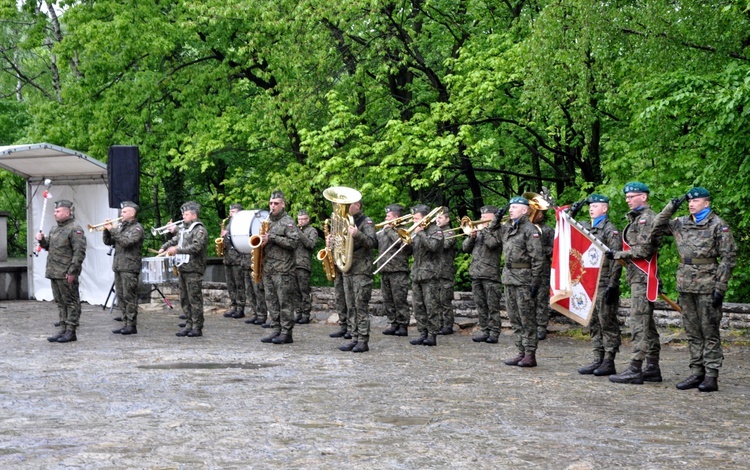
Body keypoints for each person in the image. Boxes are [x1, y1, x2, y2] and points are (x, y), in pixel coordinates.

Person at [653, 187, 736, 392]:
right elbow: (655, 226)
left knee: (709, 331)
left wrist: (721, 286)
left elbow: (728, 257)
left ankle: (711, 375)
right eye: (689, 201)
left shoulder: (718, 225)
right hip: (686, 284)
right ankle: (696, 371)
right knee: (692, 331)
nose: (691, 204)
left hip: (708, 284)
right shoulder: (681, 222)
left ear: (706, 203)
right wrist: (671, 207)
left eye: (696, 201)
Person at [607, 182, 664, 384]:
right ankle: (652, 366)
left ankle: (635, 367)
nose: (628, 200)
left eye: (632, 196)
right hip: (636, 277)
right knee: (646, 323)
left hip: (643, 277)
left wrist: (619, 254)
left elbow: (644, 250)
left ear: (644, 197)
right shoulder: (636, 219)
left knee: (638, 322)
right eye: (627, 197)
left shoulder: (648, 219)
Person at [570, 195, 623, 376]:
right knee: (593, 322)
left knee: (606, 321)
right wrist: (572, 211)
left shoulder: (610, 230)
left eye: (596, 206)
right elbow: (566, 228)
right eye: (590, 206)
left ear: (605, 209)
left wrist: (613, 284)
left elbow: (616, 258)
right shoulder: (584, 226)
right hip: (588, 282)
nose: (591, 208)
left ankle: (609, 360)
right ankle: (597, 357)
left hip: (604, 281)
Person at [498, 196, 544, 367]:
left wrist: (535, 282)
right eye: (510, 207)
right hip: (509, 277)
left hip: (524, 278)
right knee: (514, 318)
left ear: (525, 210)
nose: (511, 210)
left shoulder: (529, 229)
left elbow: (538, 259)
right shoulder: (508, 228)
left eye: (515, 207)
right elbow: (492, 231)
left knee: (527, 319)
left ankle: (530, 353)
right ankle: (521, 351)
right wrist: (497, 216)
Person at [38, 200, 87, 343]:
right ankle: (63, 328)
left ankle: (71, 331)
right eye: (54, 211)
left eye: (58, 211)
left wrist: (72, 271)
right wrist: (41, 241)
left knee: (70, 301)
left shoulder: (74, 229)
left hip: (66, 272)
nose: (55, 213)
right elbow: (49, 246)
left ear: (67, 212)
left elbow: (79, 252)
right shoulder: (54, 229)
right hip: (54, 271)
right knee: (60, 302)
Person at [160, 201, 208, 337]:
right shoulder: (184, 229)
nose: (183, 216)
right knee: (184, 299)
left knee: (194, 299)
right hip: (183, 268)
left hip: (194, 268)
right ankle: (188, 324)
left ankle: (197, 326)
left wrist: (178, 250)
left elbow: (196, 247)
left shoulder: (199, 229)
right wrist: (164, 247)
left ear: (194, 216)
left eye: (186, 214)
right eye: (183, 214)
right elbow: (175, 240)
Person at [259, 191, 300, 345]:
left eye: (276, 203)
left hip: (283, 269)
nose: (273, 206)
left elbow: (294, 243)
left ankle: (286, 332)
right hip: (269, 268)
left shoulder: (288, 222)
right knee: (271, 301)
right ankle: (276, 328)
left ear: (283, 204)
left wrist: (273, 238)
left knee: (285, 302)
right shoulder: (268, 221)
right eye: (271, 203)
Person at [338, 198, 377, 352]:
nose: (346, 207)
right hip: (348, 269)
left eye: (349, 204)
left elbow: (372, 242)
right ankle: (354, 337)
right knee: (351, 306)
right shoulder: (345, 221)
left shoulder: (366, 222)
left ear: (357, 205)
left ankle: (363, 339)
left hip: (361, 269)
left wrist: (357, 234)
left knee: (360, 305)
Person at [461, 205, 503, 343]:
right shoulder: (478, 231)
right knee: (480, 305)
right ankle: (484, 330)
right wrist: (471, 237)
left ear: (493, 217)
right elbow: (465, 248)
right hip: (476, 273)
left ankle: (494, 332)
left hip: (490, 274)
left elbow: (492, 244)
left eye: (485, 217)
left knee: (492, 306)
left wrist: (484, 230)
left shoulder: (498, 230)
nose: (481, 219)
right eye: (481, 216)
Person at [104, 201, 145, 335]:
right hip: (119, 265)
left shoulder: (137, 229)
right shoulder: (121, 227)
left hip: (130, 267)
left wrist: (112, 230)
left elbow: (126, 242)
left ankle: (131, 324)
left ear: (132, 213)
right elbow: (109, 242)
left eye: (124, 212)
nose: (121, 214)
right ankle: (125, 321)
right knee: (120, 296)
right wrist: (106, 231)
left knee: (129, 296)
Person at [408, 205, 444, 347]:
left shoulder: (436, 231)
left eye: (416, 218)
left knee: (431, 306)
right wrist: (406, 244)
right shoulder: (416, 232)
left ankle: (432, 334)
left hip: (430, 274)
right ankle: (422, 332)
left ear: (424, 218)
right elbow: (412, 252)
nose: (414, 221)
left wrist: (421, 233)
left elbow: (433, 247)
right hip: (417, 273)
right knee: (418, 306)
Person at [377, 204, 411, 337]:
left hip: (398, 269)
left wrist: (389, 230)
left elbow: (399, 242)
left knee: (399, 299)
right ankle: (393, 323)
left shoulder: (403, 230)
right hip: (384, 268)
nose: (386, 218)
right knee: (387, 299)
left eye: (388, 216)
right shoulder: (384, 231)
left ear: (396, 217)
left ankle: (403, 324)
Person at [532, 209, 555, 340]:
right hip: (527, 269)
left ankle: (541, 327)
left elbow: (554, 249)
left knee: (541, 299)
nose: (537, 215)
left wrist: (540, 248)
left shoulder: (547, 230)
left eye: (539, 213)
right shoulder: (525, 229)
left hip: (543, 270)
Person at [221, 203, 247, 319]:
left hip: (237, 258)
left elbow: (241, 240)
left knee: (239, 284)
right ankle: (234, 306)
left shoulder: (242, 224)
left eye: (233, 212)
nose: (230, 214)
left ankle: (241, 308)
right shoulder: (228, 224)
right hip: (228, 258)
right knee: (230, 284)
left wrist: (228, 235)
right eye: (230, 212)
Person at [294, 210, 318, 324]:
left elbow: (310, 244)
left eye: (303, 219)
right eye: (299, 219)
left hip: (303, 264)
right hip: (293, 264)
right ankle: (298, 312)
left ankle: (306, 314)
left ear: (308, 219)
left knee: (304, 290)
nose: (301, 221)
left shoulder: (312, 231)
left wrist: (300, 234)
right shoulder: (296, 231)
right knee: (295, 291)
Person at [436, 207, 457, 335]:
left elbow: (445, 245)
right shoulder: (435, 231)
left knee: (445, 300)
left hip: (445, 271)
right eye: (436, 217)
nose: (437, 220)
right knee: (436, 300)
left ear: (447, 219)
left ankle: (447, 325)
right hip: (435, 271)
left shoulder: (450, 232)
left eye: (440, 218)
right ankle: (438, 323)